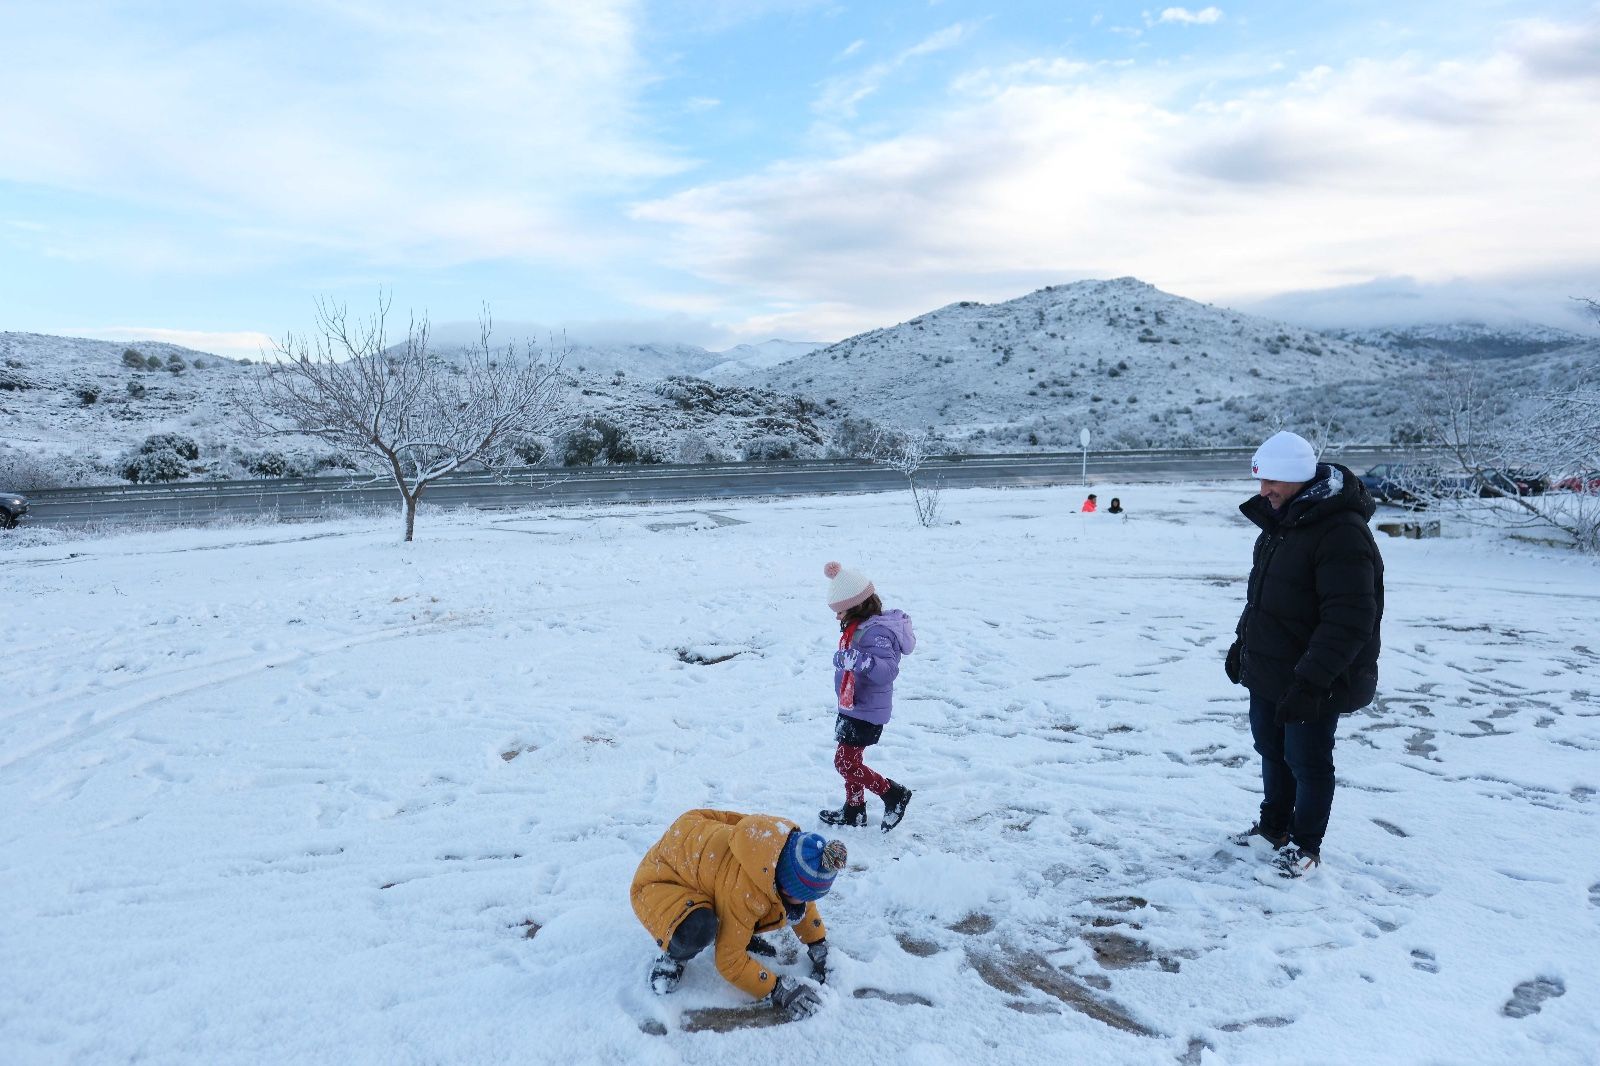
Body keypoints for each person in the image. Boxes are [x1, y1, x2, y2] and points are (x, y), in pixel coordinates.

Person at [1225, 430, 1384, 879]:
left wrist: (1312, 681)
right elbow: (1262, 598)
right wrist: (1243, 645)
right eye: (1260, 481)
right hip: (1272, 669)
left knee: (1308, 762)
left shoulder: (1341, 532)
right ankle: (1274, 827)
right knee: (1271, 750)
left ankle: (1305, 845)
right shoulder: (1281, 522)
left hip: (1316, 677)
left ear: (1298, 477)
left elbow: (1349, 618)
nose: (1264, 491)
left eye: (1272, 481)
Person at [631, 809, 847, 1017]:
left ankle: (734, 930)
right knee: (698, 927)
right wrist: (776, 988)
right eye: (804, 895)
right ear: (787, 886)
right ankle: (675, 956)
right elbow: (729, 960)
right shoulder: (745, 890)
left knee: (769, 905)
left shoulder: (782, 853)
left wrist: (817, 943)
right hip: (661, 880)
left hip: (699, 854)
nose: (808, 903)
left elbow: (801, 902)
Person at [818, 561, 916, 832]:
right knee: (850, 760)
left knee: (845, 763)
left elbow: (887, 671)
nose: (838, 617)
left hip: (867, 710)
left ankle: (893, 794)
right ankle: (854, 809)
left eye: (841, 611)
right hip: (852, 706)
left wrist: (859, 661)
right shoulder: (859, 628)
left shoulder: (878, 632)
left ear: (857, 605)